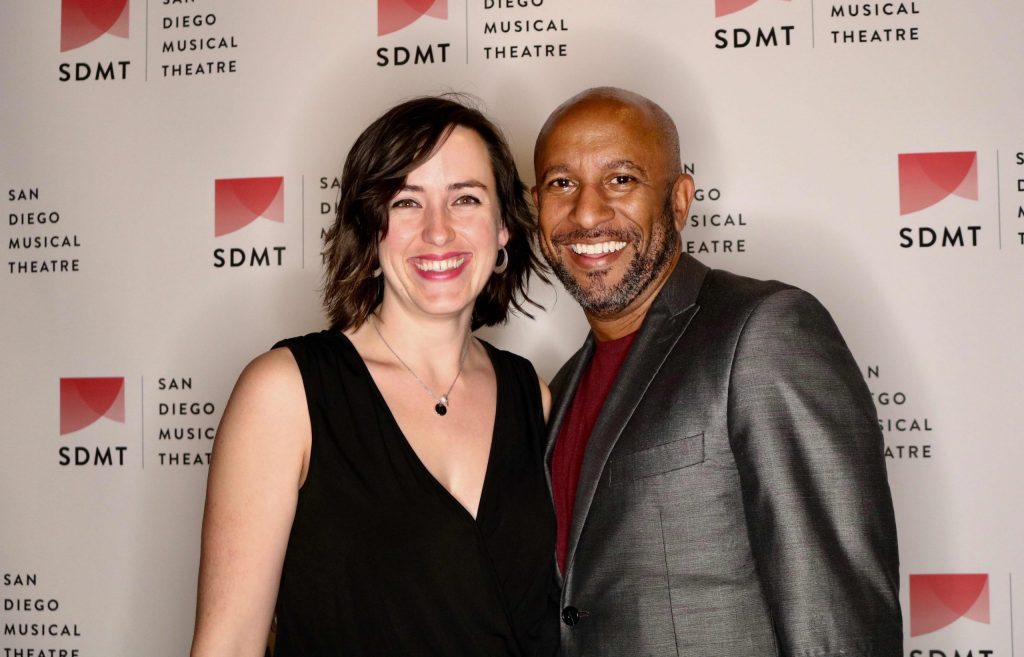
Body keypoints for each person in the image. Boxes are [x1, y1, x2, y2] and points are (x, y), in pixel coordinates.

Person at [532, 86, 902, 656]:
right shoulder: (558, 390)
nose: (586, 212)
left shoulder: (764, 330)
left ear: (679, 201)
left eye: (621, 179)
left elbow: (837, 617)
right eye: (562, 184)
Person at [190, 96, 559, 657]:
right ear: (371, 226)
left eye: (465, 198)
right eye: (407, 202)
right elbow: (230, 644)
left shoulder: (532, 396)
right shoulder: (286, 393)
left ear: (503, 226)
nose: (438, 231)